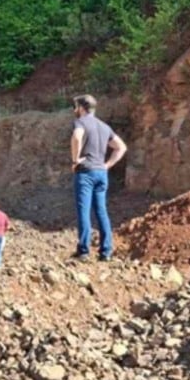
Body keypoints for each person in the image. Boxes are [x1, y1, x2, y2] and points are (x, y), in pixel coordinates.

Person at [70, 94, 128, 262]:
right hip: (101, 173)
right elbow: (121, 147)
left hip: (86, 172)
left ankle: (84, 251)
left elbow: (76, 137)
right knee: (101, 211)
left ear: (81, 108)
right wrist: (107, 165)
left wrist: (75, 160)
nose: (75, 110)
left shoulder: (81, 122)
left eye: (76, 107)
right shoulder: (104, 127)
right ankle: (106, 251)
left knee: (84, 211)